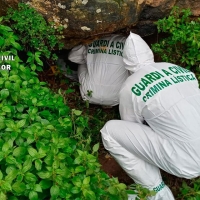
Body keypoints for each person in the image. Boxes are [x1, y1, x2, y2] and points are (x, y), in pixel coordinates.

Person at [100, 32, 200, 199]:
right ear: (150, 53)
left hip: (188, 163)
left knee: (110, 132)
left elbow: (131, 127)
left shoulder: (130, 86)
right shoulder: (177, 68)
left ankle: (155, 192)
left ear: (126, 62)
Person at [68, 34, 129, 106]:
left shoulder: (91, 39)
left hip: (89, 94)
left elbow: (72, 57)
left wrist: (88, 57)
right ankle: (108, 103)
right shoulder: (127, 42)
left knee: (83, 62)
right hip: (116, 98)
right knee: (129, 66)